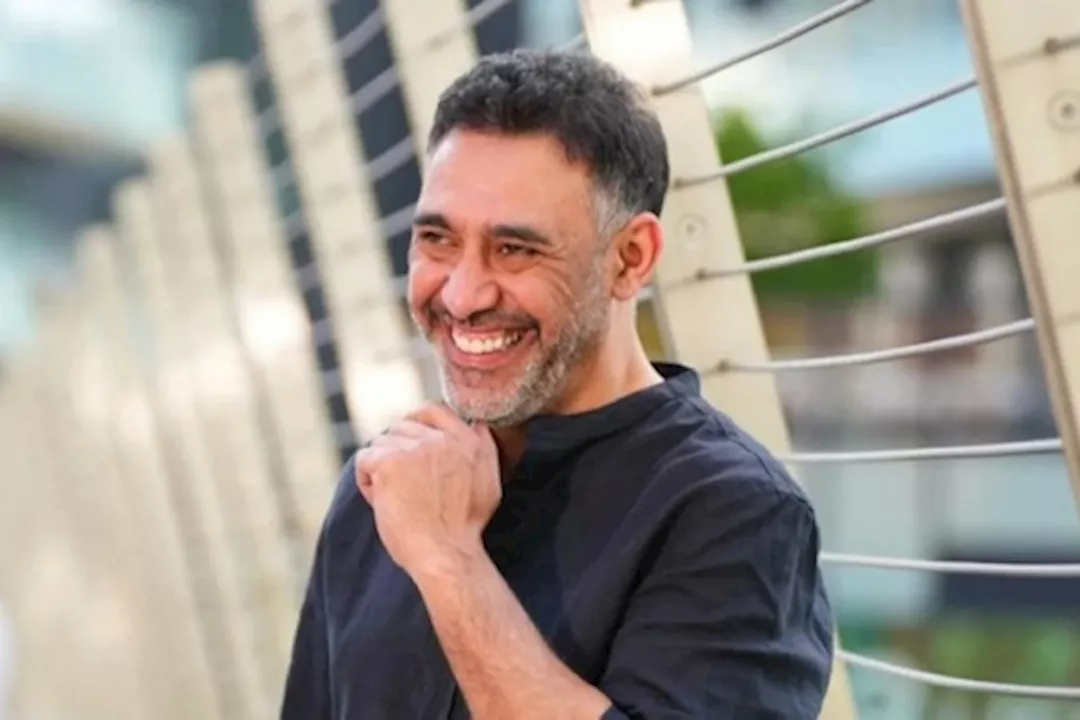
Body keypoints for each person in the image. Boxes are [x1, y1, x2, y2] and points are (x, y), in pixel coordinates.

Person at [281, 48, 834, 719]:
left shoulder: (735, 514)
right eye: (437, 240)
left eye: (515, 249)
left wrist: (450, 561)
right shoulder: (381, 486)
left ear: (630, 258)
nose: (462, 295)